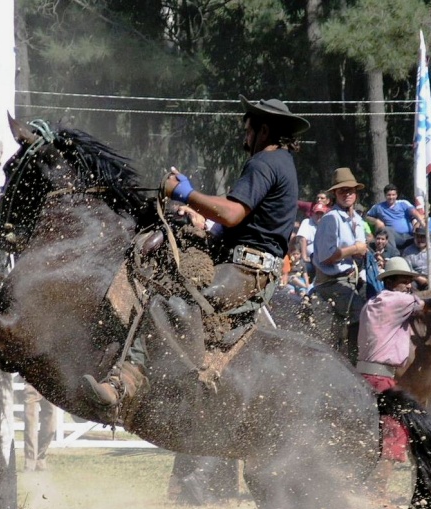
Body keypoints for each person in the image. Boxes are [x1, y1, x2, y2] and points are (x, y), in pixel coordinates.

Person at [82, 95, 309, 407]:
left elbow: (231, 214)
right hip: (249, 265)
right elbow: (238, 221)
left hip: (246, 272)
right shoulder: (280, 164)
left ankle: (127, 380)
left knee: (167, 298)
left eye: (248, 130)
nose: (245, 137)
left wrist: (185, 193)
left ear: (265, 131)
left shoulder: (264, 162)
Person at [356, 257, 431, 507]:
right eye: (404, 281)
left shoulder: (373, 302)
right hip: (381, 377)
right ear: (391, 282)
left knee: (372, 433)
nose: (409, 286)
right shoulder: (399, 301)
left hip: (364, 374)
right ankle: (377, 493)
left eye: (410, 281)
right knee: (395, 433)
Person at [311, 167, 370, 362]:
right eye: (342, 191)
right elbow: (326, 257)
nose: (347, 194)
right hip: (331, 282)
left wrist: (363, 253)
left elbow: (361, 250)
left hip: (353, 278)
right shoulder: (330, 219)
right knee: (361, 312)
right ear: (334, 194)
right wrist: (355, 249)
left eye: (350, 190)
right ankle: (351, 362)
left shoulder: (358, 220)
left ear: (356, 194)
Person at [365, 184, 426, 252]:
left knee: (424, 230)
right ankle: (393, 253)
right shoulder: (378, 207)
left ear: (396, 195)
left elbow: (415, 213)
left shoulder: (403, 203)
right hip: (395, 236)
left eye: (393, 195)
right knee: (387, 229)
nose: (391, 197)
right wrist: (376, 221)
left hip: (410, 235)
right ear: (385, 195)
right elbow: (366, 217)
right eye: (389, 195)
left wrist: (421, 222)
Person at [23, 383, 55, 471]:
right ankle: (30, 463)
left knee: (51, 428)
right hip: (32, 385)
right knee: (31, 427)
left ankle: (40, 457)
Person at [402, 225, 431, 290]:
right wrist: (418, 277)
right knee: (411, 286)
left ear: (428, 238)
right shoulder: (407, 251)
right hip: (416, 279)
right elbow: (407, 269)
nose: (420, 240)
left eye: (423, 237)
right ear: (414, 237)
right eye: (418, 237)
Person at [295, 201, 328, 280]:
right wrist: (304, 257)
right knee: (307, 267)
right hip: (309, 259)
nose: (319, 216)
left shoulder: (327, 224)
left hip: (323, 258)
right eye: (317, 213)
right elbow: (303, 239)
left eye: (321, 213)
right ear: (312, 213)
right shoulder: (307, 222)